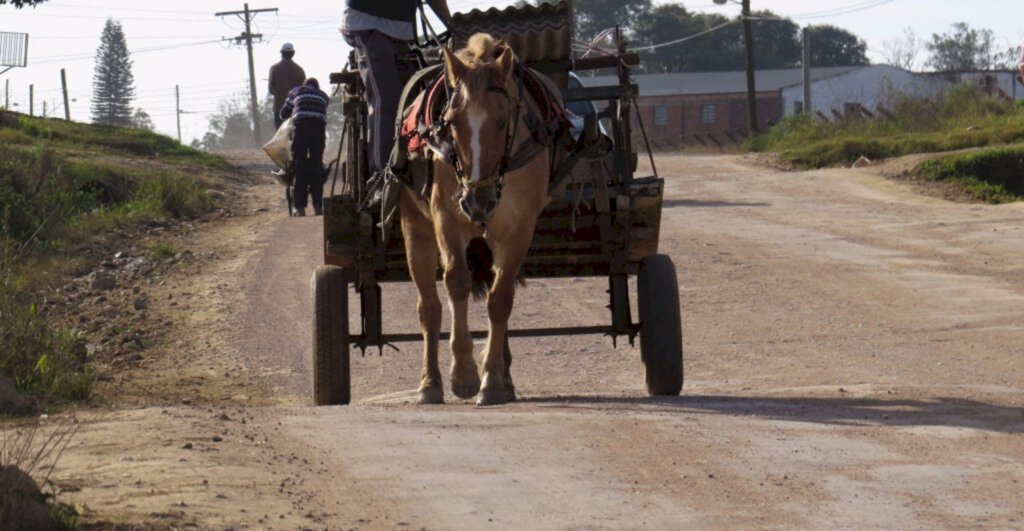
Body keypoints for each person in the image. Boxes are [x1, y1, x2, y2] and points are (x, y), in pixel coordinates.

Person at [341, 0, 452, 181]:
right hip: (368, 24)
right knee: (386, 99)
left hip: (402, 31)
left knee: (414, 100)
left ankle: (416, 164)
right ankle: (381, 176)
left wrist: (452, 26)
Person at [280, 78, 329, 216]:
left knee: (299, 164)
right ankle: (318, 206)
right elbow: (322, 112)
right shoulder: (323, 95)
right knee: (316, 165)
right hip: (318, 129)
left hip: (301, 127)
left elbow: (283, 113)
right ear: (317, 87)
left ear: (304, 85)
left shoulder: (296, 91)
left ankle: (299, 207)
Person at [268, 43, 307, 129]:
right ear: (293, 53)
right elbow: (304, 90)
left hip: (279, 109)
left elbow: (271, 89)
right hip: (296, 109)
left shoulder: (274, 68)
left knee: (280, 137)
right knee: (294, 136)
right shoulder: (299, 70)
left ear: (282, 53)